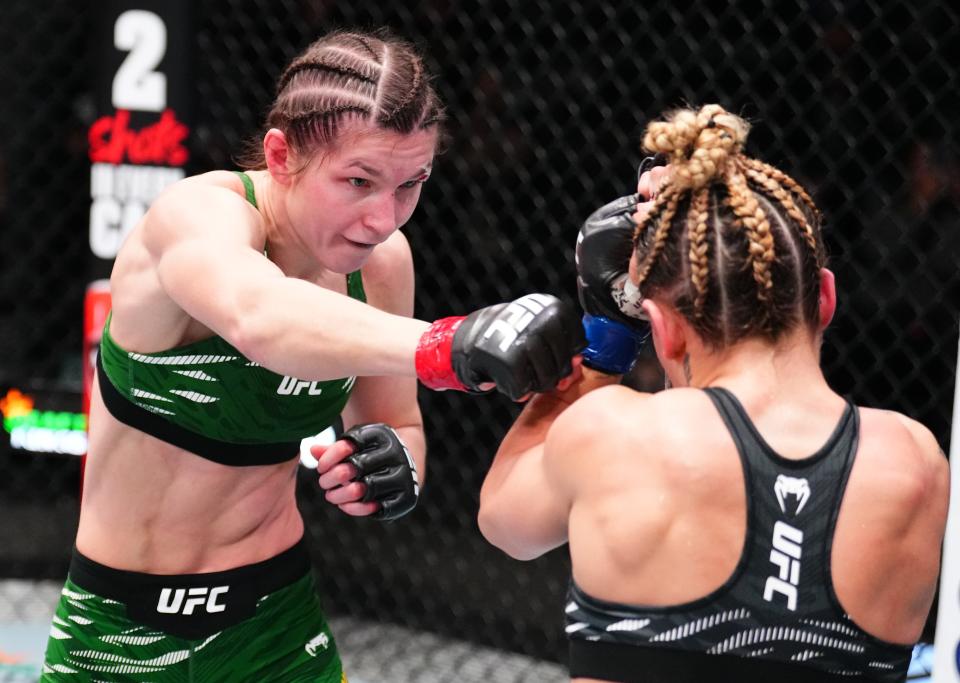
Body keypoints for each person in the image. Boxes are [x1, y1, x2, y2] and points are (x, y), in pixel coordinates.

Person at [41, 29, 583, 682]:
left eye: (411, 184)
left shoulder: (381, 267)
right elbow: (259, 316)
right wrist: (445, 344)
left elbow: (396, 421)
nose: (384, 217)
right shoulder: (193, 218)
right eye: (358, 180)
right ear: (280, 155)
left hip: (275, 623)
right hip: (116, 633)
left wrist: (391, 468)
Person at [478, 104, 949, 683]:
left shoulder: (616, 433)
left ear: (665, 329)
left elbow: (504, 522)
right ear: (825, 299)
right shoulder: (916, 461)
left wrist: (607, 335)